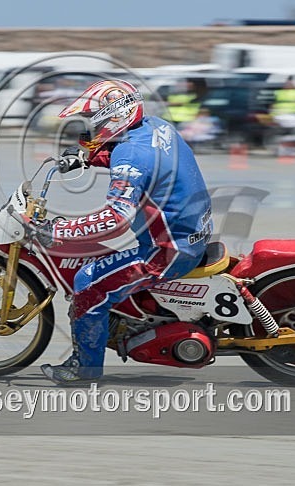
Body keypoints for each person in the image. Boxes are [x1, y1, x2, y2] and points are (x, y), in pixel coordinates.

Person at [39, 79, 213, 384]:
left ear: (116, 116)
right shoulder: (155, 127)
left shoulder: (131, 156)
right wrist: (89, 157)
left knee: (88, 282)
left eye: (98, 120)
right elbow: (138, 159)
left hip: (169, 251)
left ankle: (84, 368)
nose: (93, 127)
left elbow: (116, 217)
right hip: (192, 231)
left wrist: (61, 230)